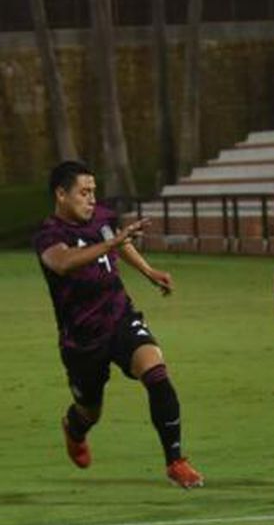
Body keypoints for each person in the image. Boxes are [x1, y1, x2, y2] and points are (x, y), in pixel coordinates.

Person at [33, 160, 204, 489]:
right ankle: (74, 427)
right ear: (61, 194)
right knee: (89, 410)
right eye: (84, 193)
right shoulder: (48, 235)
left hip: (119, 316)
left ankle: (176, 461)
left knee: (156, 372)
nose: (91, 199)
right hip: (81, 338)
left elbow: (119, 241)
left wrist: (149, 271)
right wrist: (111, 244)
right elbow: (63, 262)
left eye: (93, 191)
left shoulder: (101, 218)